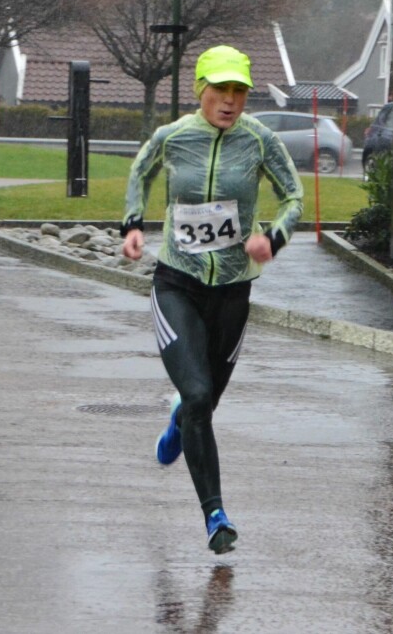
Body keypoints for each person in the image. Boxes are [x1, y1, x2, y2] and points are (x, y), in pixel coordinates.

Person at [120, 45, 304, 554]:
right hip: (177, 282)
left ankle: (180, 421)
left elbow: (295, 197)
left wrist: (275, 237)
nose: (229, 101)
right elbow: (140, 171)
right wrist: (133, 224)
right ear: (200, 88)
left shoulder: (259, 141)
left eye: (239, 91)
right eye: (220, 90)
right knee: (198, 395)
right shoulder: (174, 138)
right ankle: (215, 517)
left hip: (232, 291)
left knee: (205, 402)